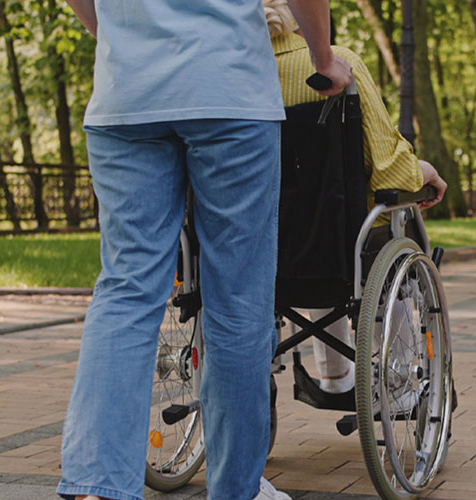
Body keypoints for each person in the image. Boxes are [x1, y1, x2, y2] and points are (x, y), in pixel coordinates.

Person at [56, 1, 351, 499]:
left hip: (126, 94)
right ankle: (237, 491)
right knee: (238, 300)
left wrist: (121, 38)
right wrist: (323, 61)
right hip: (228, 91)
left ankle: (99, 488)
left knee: (125, 292)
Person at [264, 0, 446, 393]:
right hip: (333, 243)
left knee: (305, 224)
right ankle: (398, 381)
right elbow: (387, 168)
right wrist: (423, 171)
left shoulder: (229, 77)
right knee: (385, 231)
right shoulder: (337, 65)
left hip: (258, 242)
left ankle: (331, 375)